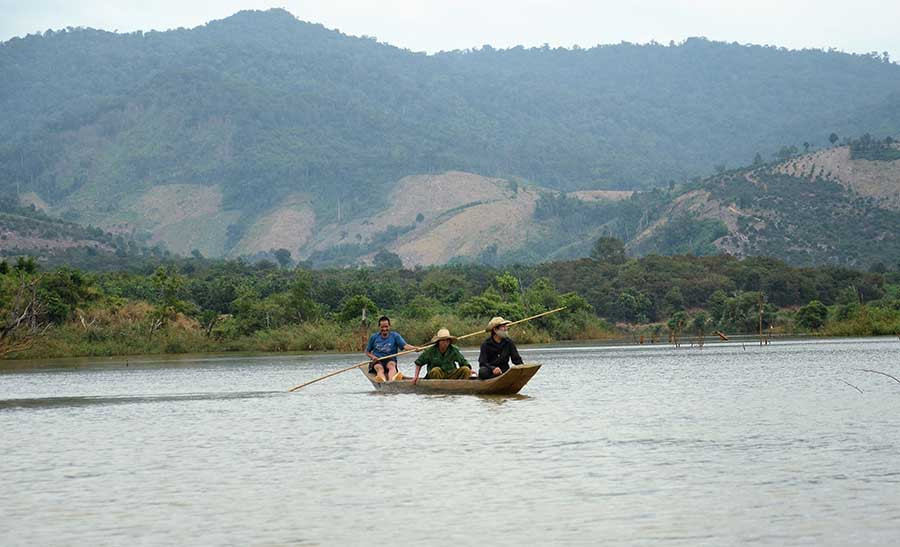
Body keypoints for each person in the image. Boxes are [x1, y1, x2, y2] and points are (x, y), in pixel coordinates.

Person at [366, 316, 417, 382]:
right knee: (380, 369)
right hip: (377, 360)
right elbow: (367, 352)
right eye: (382, 327)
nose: (384, 329)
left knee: (391, 366)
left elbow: (405, 346)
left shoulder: (395, 336)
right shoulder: (374, 337)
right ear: (379, 327)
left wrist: (415, 348)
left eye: (386, 327)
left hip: (390, 359)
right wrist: (373, 357)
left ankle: (391, 381)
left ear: (389, 326)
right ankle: (382, 380)